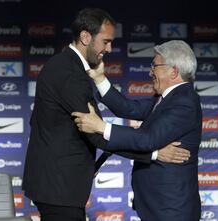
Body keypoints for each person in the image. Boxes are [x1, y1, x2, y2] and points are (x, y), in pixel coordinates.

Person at [22, 8, 190, 221]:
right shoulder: (69, 72)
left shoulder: (68, 67)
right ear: (85, 37)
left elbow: (126, 111)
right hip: (58, 186)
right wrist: (154, 154)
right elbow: (95, 133)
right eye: (106, 41)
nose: (109, 48)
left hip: (59, 185)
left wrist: (101, 81)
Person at [72, 40, 202, 221]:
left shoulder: (184, 101)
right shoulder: (168, 98)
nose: (150, 72)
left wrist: (101, 127)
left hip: (171, 208)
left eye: (154, 66)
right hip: (157, 205)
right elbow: (129, 108)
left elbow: (148, 139)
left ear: (173, 71)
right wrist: (100, 78)